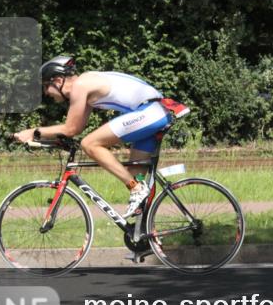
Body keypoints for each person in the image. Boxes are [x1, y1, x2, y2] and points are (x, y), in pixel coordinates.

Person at [13, 55, 185, 214]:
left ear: (58, 80)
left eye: (45, 86)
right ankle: (147, 234)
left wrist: (34, 132)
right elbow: (76, 128)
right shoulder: (86, 85)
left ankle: (136, 188)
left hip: (151, 112)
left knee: (90, 144)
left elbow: (70, 129)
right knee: (135, 174)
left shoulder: (80, 85)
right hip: (154, 112)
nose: (45, 93)